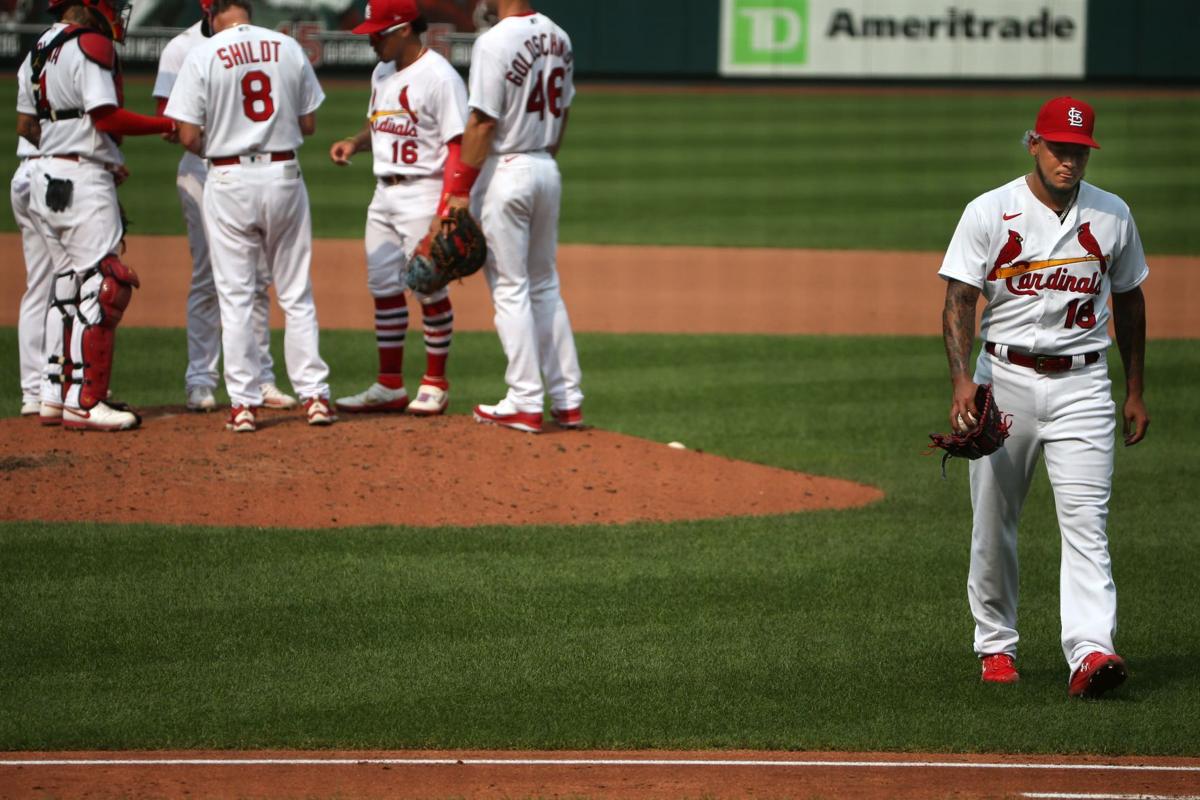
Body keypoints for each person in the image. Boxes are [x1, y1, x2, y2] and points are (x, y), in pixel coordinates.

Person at [939, 96, 1150, 699]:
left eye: (1079, 151)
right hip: (1002, 381)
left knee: (1087, 524)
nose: (1069, 161)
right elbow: (959, 299)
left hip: (1085, 384)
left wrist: (1134, 389)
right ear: (1034, 143)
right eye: (1058, 149)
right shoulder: (990, 210)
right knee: (993, 522)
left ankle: (1090, 651)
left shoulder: (1112, 215)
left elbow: (1130, 300)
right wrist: (962, 380)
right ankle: (996, 646)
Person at [165, 0, 334, 432]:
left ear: (210, 12)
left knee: (235, 294)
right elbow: (309, 123)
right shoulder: (286, 46)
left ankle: (243, 404)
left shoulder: (202, 53)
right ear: (248, 9)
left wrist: (223, 147)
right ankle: (315, 396)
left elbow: (186, 134)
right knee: (295, 292)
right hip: (283, 175)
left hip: (228, 180)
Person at [17, 0, 176, 431]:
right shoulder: (90, 43)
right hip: (80, 177)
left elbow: (26, 125)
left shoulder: (41, 46)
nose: (118, 10)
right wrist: (167, 125)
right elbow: (106, 116)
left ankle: (55, 394)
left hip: (44, 173)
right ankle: (87, 401)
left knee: (66, 284)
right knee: (105, 284)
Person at [444, 0, 583, 434]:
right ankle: (567, 400)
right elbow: (564, 111)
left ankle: (524, 400)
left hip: (508, 171)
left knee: (510, 288)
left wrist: (458, 193)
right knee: (545, 285)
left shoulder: (494, 41)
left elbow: (482, 122)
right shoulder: (560, 35)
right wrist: (544, 160)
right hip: (546, 166)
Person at [152, 0, 296, 414]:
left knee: (258, 278)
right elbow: (168, 119)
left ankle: (262, 378)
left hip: (252, 172)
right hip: (203, 170)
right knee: (208, 276)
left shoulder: (262, 44)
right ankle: (200, 379)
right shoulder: (182, 48)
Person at [328, 0, 466, 417]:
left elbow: (457, 143)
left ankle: (436, 383)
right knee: (384, 288)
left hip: (423, 192)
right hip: (383, 194)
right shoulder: (382, 70)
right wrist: (354, 141)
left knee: (428, 286)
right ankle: (389, 384)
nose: (372, 39)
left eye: (379, 32)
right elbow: (381, 120)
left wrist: (448, 207)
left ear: (405, 29)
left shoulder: (440, 77)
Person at [11, 51, 53, 418]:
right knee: (80, 283)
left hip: (25, 172)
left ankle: (34, 392)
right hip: (57, 175)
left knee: (39, 285)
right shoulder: (83, 48)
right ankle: (62, 388)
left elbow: (25, 125)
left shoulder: (34, 54)